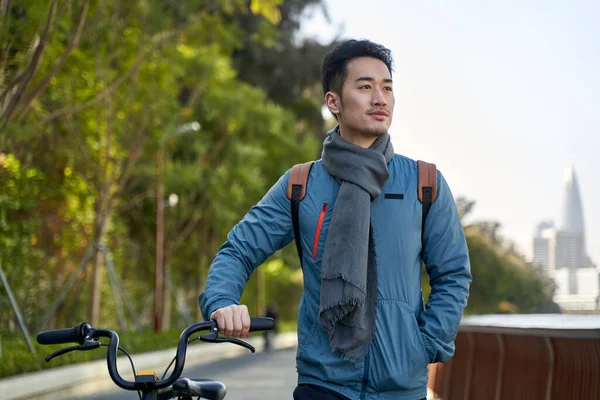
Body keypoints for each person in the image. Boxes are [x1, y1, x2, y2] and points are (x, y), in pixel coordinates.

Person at [199, 39, 472, 400]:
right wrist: (221, 301)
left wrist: (424, 346)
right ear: (333, 102)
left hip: (400, 388)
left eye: (387, 87)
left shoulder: (424, 184)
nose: (380, 98)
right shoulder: (301, 185)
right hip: (322, 384)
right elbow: (239, 250)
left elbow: (453, 274)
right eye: (365, 87)